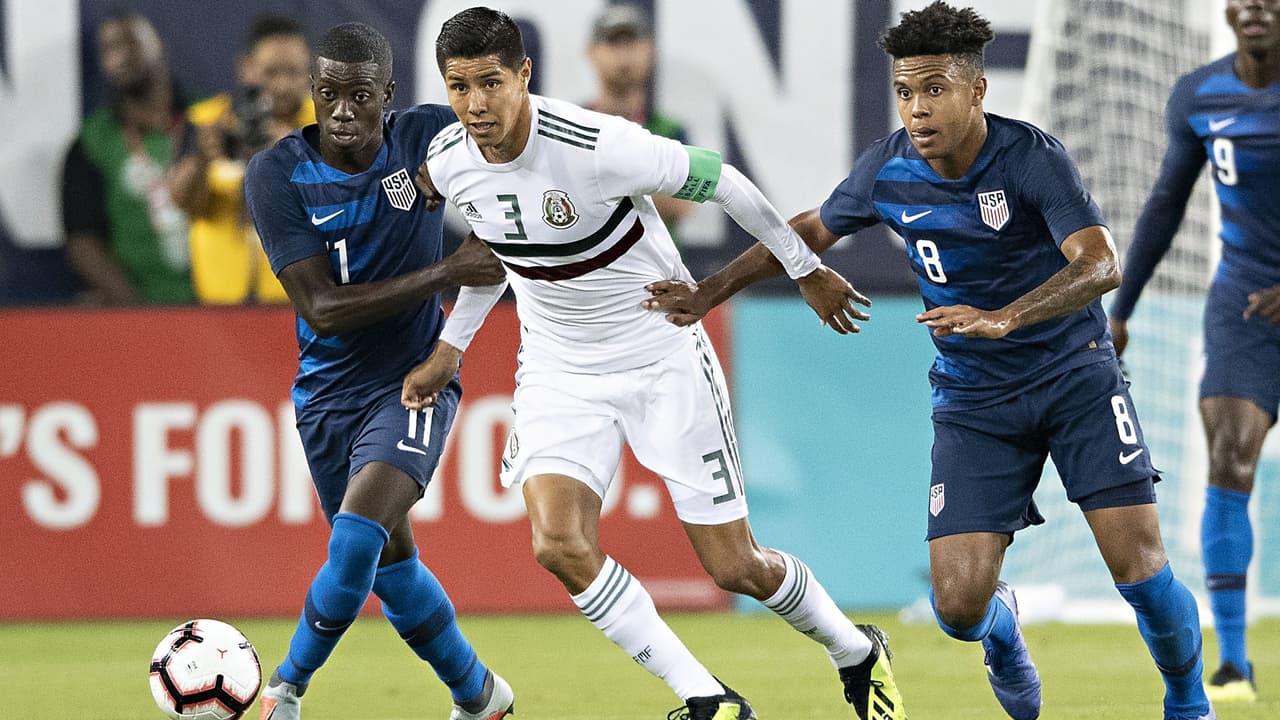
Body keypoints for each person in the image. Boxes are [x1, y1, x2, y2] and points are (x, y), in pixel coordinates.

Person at [641, 3, 1215, 719]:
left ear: (977, 90)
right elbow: (810, 229)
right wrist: (708, 291)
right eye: (905, 91)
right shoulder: (889, 167)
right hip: (975, 400)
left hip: (1075, 377)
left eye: (935, 88)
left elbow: (1101, 264)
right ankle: (1002, 628)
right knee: (958, 607)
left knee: (1140, 569)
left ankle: (1189, 703)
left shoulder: (1032, 158)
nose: (917, 108)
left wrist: (1006, 316)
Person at [402, 8, 905, 720]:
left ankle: (855, 650)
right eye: (459, 87)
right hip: (559, 370)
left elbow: (726, 181)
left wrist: (804, 267)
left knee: (735, 566)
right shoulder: (450, 161)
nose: (476, 104)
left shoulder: (599, 145)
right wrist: (451, 348)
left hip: (660, 353)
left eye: (490, 82)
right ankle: (707, 698)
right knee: (558, 544)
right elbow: (494, 252)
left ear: (524, 75)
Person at [242, 21, 513, 720]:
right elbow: (322, 309)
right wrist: (448, 271)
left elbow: (516, 143)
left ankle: (286, 688)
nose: (342, 111)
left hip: (412, 382)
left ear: (387, 95)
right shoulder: (276, 175)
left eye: (359, 95)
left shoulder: (428, 138)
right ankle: (481, 697)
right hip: (326, 397)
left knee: (356, 538)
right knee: (390, 567)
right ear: (312, 91)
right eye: (328, 94)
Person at [1109, 0, 1280, 704]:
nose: (1257, 7)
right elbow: (1165, 205)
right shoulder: (1199, 95)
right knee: (1230, 455)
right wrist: (1122, 309)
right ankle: (1233, 662)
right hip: (1243, 307)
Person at [170, 14, 315, 305]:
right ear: (246, 67)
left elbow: (351, 204)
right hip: (220, 308)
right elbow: (184, 203)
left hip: (303, 304)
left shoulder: (324, 125)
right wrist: (201, 159)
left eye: (294, 72)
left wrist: (295, 154)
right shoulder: (206, 121)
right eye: (271, 73)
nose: (283, 85)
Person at [60, 13, 193, 305]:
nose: (119, 56)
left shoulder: (208, 120)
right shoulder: (92, 142)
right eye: (109, 49)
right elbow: (83, 241)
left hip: (225, 306)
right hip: (137, 309)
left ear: (160, 46)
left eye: (130, 43)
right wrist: (136, 313)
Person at [585, 3, 694, 233]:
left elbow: (684, 203)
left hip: (657, 258)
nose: (624, 54)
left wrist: (602, 186)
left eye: (631, 42)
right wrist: (648, 183)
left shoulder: (671, 130)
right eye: (613, 42)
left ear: (650, 50)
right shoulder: (573, 123)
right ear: (592, 52)